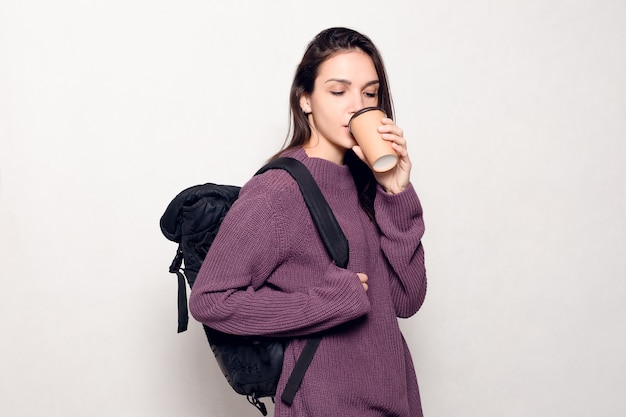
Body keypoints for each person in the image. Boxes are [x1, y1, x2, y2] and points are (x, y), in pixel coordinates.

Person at [189, 27, 427, 416]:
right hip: (324, 405)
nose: (357, 106)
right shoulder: (277, 193)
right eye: (338, 91)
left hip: (396, 403)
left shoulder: (365, 185)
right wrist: (324, 302)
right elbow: (211, 300)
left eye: (369, 93)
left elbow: (407, 299)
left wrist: (396, 191)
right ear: (305, 100)